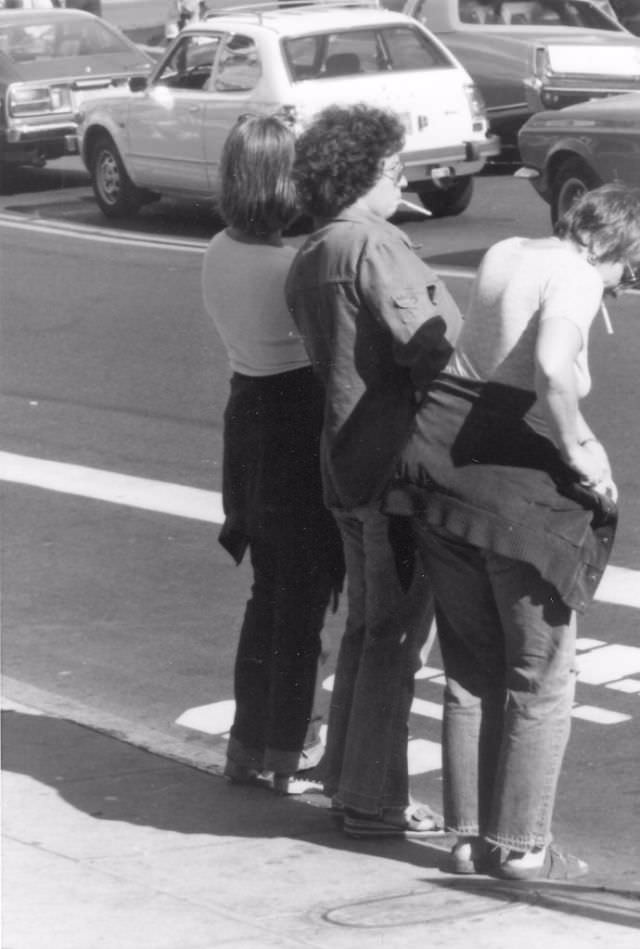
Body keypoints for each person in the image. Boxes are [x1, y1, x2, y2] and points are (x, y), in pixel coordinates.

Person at [384, 183, 640, 877]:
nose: (620, 287)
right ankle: (524, 847)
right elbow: (552, 366)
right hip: (509, 485)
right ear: (613, 243)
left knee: (471, 664)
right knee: (542, 675)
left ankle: (470, 839)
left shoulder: (504, 250)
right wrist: (584, 449)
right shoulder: (579, 274)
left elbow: (487, 359)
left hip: (436, 463)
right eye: (629, 270)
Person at [285, 104, 463, 837]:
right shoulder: (375, 247)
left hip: (346, 462)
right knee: (394, 638)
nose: (403, 178)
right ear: (365, 174)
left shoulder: (314, 251)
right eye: (394, 168)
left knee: (367, 627)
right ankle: (374, 799)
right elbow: (430, 347)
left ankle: (348, 781)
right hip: (399, 466)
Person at [201, 115, 344, 796]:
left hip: (247, 421)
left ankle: (248, 742)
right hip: (297, 423)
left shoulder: (220, 250)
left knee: (268, 591)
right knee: (304, 599)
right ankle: (288, 747)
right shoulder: (295, 265)